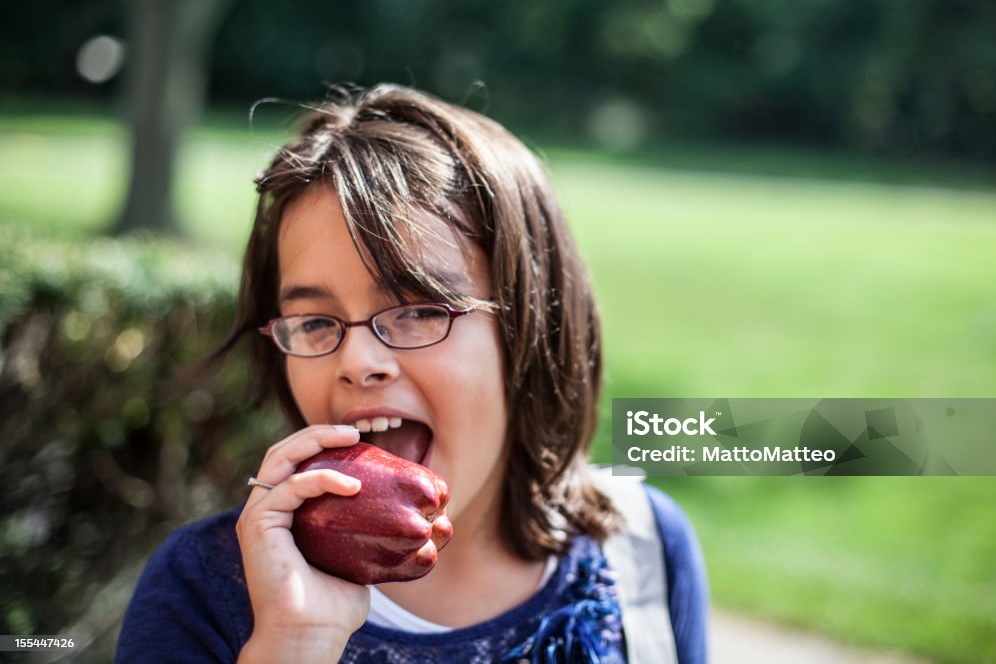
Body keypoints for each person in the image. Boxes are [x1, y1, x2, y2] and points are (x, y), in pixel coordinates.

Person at [115, 84, 707, 663]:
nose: (358, 363)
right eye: (315, 322)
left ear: (532, 326)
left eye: (420, 310)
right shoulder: (207, 590)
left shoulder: (642, 547)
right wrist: (295, 644)